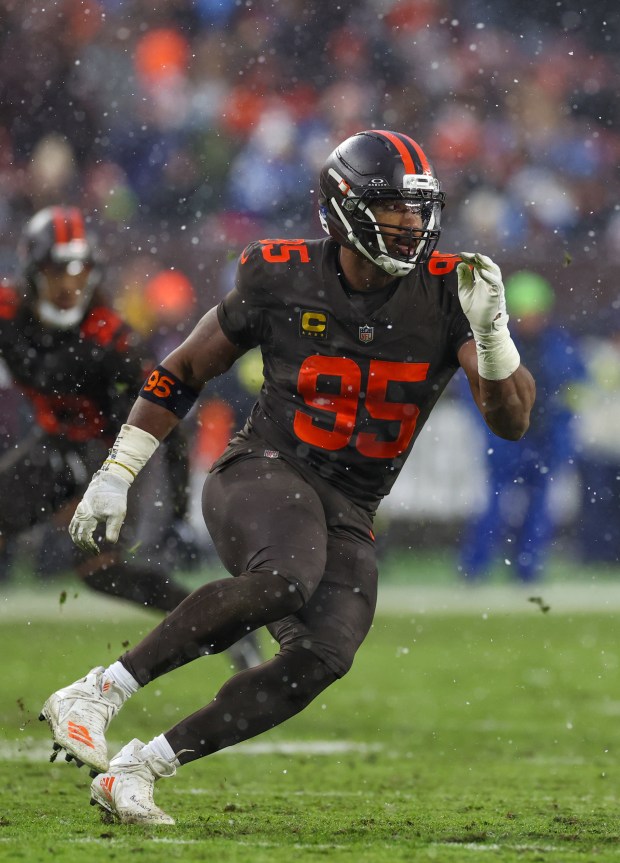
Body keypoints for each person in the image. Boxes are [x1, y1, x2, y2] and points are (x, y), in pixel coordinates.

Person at [40, 130, 535, 825]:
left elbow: (511, 421)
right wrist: (117, 472)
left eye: (420, 208)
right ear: (344, 209)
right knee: (286, 578)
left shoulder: (448, 291)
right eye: (393, 206)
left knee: (325, 654)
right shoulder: (280, 274)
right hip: (264, 469)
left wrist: (493, 338)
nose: (412, 223)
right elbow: (183, 370)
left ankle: (138, 767)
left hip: (353, 501)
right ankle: (98, 690)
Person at [0, 206, 261, 671]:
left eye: (79, 270)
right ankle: (225, 624)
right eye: (58, 270)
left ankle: (225, 625)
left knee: (104, 571)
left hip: (111, 454)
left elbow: (168, 416)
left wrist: (178, 509)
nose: (69, 284)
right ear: (33, 270)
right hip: (53, 441)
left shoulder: (109, 336)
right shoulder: (8, 310)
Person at [458, 270, 586, 583]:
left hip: (544, 440)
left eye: (536, 312)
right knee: (496, 506)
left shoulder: (558, 345)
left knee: (538, 508)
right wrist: (491, 427)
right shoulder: (495, 345)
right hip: (506, 442)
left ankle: (527, 570)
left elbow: (576, 389)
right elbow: (471, 391)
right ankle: (476, 568)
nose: (532, 319)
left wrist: (562, 433)